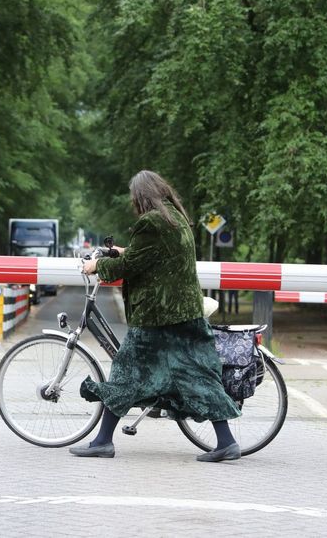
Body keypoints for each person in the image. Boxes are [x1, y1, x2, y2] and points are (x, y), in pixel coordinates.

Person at [76, 170, 242, 462]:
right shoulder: (176, 219)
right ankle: (226, 441)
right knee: (198, 376)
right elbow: (151, 254)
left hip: (158, 317)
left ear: (140, 196)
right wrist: (121, 251)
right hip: (184, 313)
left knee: (126, 373)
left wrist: (97, 266)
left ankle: (102, 441)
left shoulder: (151, 222)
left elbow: (130, 266)